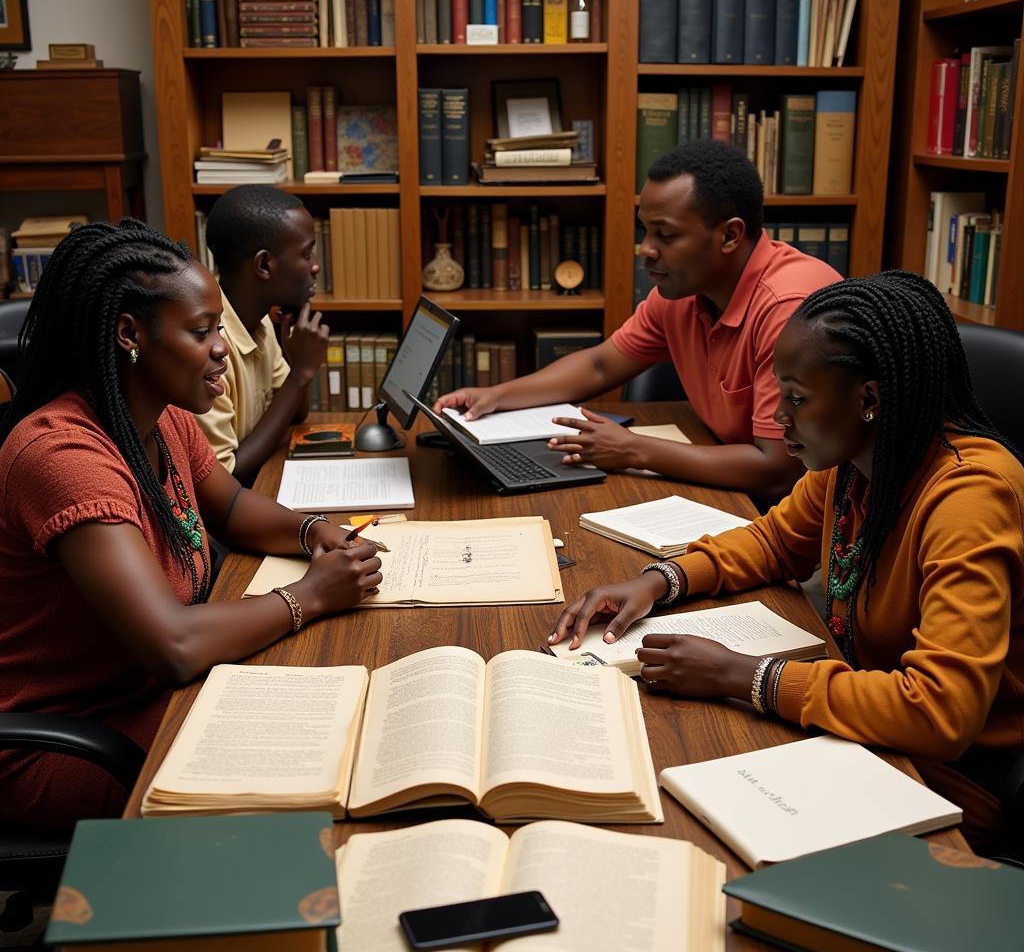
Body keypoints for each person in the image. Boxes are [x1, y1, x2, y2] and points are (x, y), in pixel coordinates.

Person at [549, 271, 1024, 855]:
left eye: (797, 399)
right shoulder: (855, 462)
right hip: (865, 731)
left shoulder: (970, 498)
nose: (781, 421)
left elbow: (941, 713)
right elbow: (773, 543)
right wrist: (659, 579)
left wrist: (745, 676)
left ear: (868, 400)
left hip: (953, 779)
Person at [0, 219, 381, 831]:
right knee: (310, 765)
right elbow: (175, 645)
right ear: (130, 334)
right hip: (65, 737)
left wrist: (312, 531)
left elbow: (230, 506)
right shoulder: (62, 454)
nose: (222, 347)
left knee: (337, 722)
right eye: (202, 331)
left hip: (151, 695)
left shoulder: (161, 416)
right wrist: (309, 595)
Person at [435, 140, 841, 501]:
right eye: (644, 231)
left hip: (803, 523)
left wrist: (634, 449)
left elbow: (777, 470)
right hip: (730, 490)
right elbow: (601, 363)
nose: (645, 250)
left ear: (730, 236)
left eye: (665, 235)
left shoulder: (790, 307)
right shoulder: (681, 291)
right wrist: (497, 396)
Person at [197, 185, 328, 485]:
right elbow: (226, 478)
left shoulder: (261, 322)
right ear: (264, 265)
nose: (316, 266)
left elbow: (295, 414)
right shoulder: (208, 348)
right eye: (306, 254)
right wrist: (301, 373)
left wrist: (297, 366)